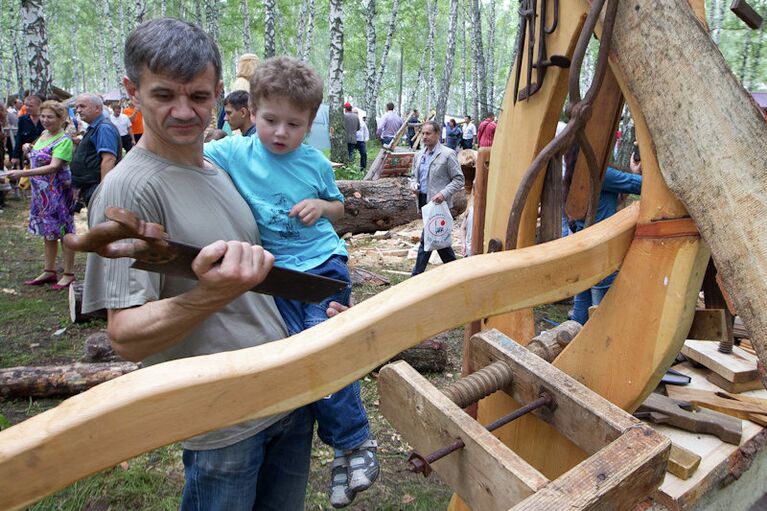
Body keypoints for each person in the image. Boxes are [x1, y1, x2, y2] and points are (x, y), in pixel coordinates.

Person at [83, 19, 345, 511]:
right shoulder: (129, 190)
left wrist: (319, 310)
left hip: (285, 396)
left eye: (199, 96)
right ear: (131, 91)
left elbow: (262, 282)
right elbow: (124, 337)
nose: (184, 112)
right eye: (164, 95)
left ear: (220, 92)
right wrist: (209, 294)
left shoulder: (220, 168)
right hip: (224, 422)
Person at [204, 56, 378, 510]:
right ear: (251, 110)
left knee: (321, 348)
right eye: (270, 120)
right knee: (298, 359)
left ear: (310, 123)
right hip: (275, 276)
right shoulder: (234, 151)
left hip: (321, 266)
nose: (281, 133)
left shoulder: (314, 163)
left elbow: (340, 206)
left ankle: (354, 442)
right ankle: (341, 452)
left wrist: (322, 209)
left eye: (294, 125)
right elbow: (190, 153)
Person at [567, 145, 642, 325]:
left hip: (584, 247)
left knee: (580, 314)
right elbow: (639, 185)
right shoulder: (601, 174)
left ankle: (571, 346)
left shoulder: (575, 173)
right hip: (602, 250)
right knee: (604, 315)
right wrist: (635, 171)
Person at [6, 100, 76, 289]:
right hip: (42, 195)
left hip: (58, 193)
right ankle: (49, 270)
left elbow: (53, 166)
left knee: (64, 231)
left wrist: (22, 173)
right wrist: (28, 147)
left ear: (61, 119)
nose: (45, 120)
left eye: (50, 117)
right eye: (43, 116)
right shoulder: (44, 134)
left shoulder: (64, 140)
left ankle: (68, 273)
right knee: (48, 231)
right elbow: (38, 151)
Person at [409, 120, 464, 275]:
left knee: (428, 238)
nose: (425, 137)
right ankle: (457, 272)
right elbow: (413, 176)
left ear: (438, 134)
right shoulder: (419, 155)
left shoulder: (448, 154)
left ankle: (416, 275)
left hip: (439, 205)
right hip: (424, 202)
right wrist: (413, 184)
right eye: (423, 133)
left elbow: (459, 180)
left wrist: (443, 193)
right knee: (439, 241)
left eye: (428, 133)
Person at [71, 93, 121, 208]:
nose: (78, 110)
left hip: (97, 187)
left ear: (98, 108)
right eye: (77, 107)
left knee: (101, 222)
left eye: (82, 106)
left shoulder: (104, 128)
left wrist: (103, 192)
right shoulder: (95, 126)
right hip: (90, 186)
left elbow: (108, 159)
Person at [11, 94, 44, 170]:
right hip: (27, 155)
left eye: (31, 106)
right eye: (26, 105)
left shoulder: (45, 118)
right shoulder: (22, 119)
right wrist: (15, 156)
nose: (27, 108)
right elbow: (19, 138)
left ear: (39, 106)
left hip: (43, 155)